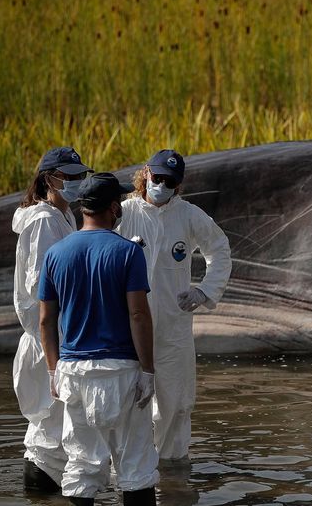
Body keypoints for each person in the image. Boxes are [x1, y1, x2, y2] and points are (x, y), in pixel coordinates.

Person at [38, 173, 160, 506]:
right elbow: (138, 315)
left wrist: (53, 371)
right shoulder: (128, 252)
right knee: (136, 464)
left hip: (73, 369)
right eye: (118, 201)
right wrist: (148, 370)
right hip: (121, 369)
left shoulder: (56, 255)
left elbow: (46, 320)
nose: (121, 205)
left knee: (80, 464)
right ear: (111, 206)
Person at [116, 149, 231, 462]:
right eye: (158, 177)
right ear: (145, 174)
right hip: (128, 327)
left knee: (177, 405)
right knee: (128, 402)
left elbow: (219, 250)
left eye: (170, 181)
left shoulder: (188, 215)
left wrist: (204, 291)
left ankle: (172, 476)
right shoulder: (125, 213)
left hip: (173, 327)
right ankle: (128, 475)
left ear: (178, 185)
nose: (162, 185)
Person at [12, 146, 91, 492]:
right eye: (68, 176)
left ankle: (45, 493)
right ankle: (39, 493)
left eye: (79, 176)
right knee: (49, 425)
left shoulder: (65, 216)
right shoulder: (44, 221)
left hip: (59, 331)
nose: (75, 182)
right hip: (47, 335)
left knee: (57, 423)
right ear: (49, 179)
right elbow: (40, 284)